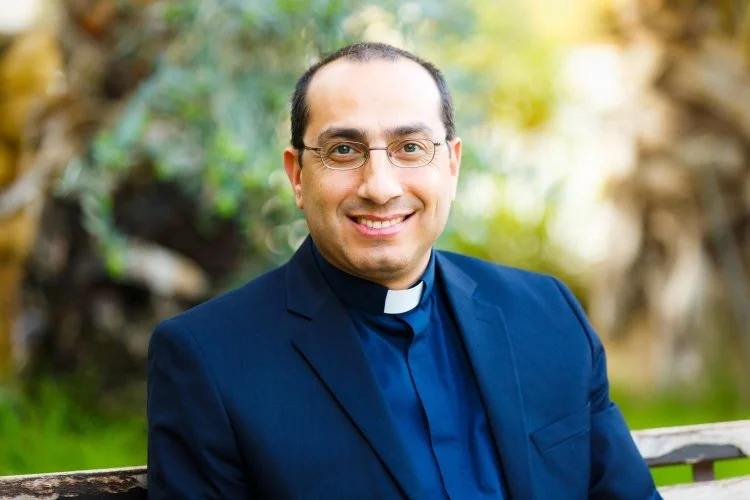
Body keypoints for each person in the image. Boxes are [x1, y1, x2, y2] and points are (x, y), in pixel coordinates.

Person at [147, 42, 661, 499]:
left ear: (452, 166)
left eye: (410, 148)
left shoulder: (547, 313)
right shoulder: (210, 360)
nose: (380, 186)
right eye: (343, 150)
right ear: (298, 175)